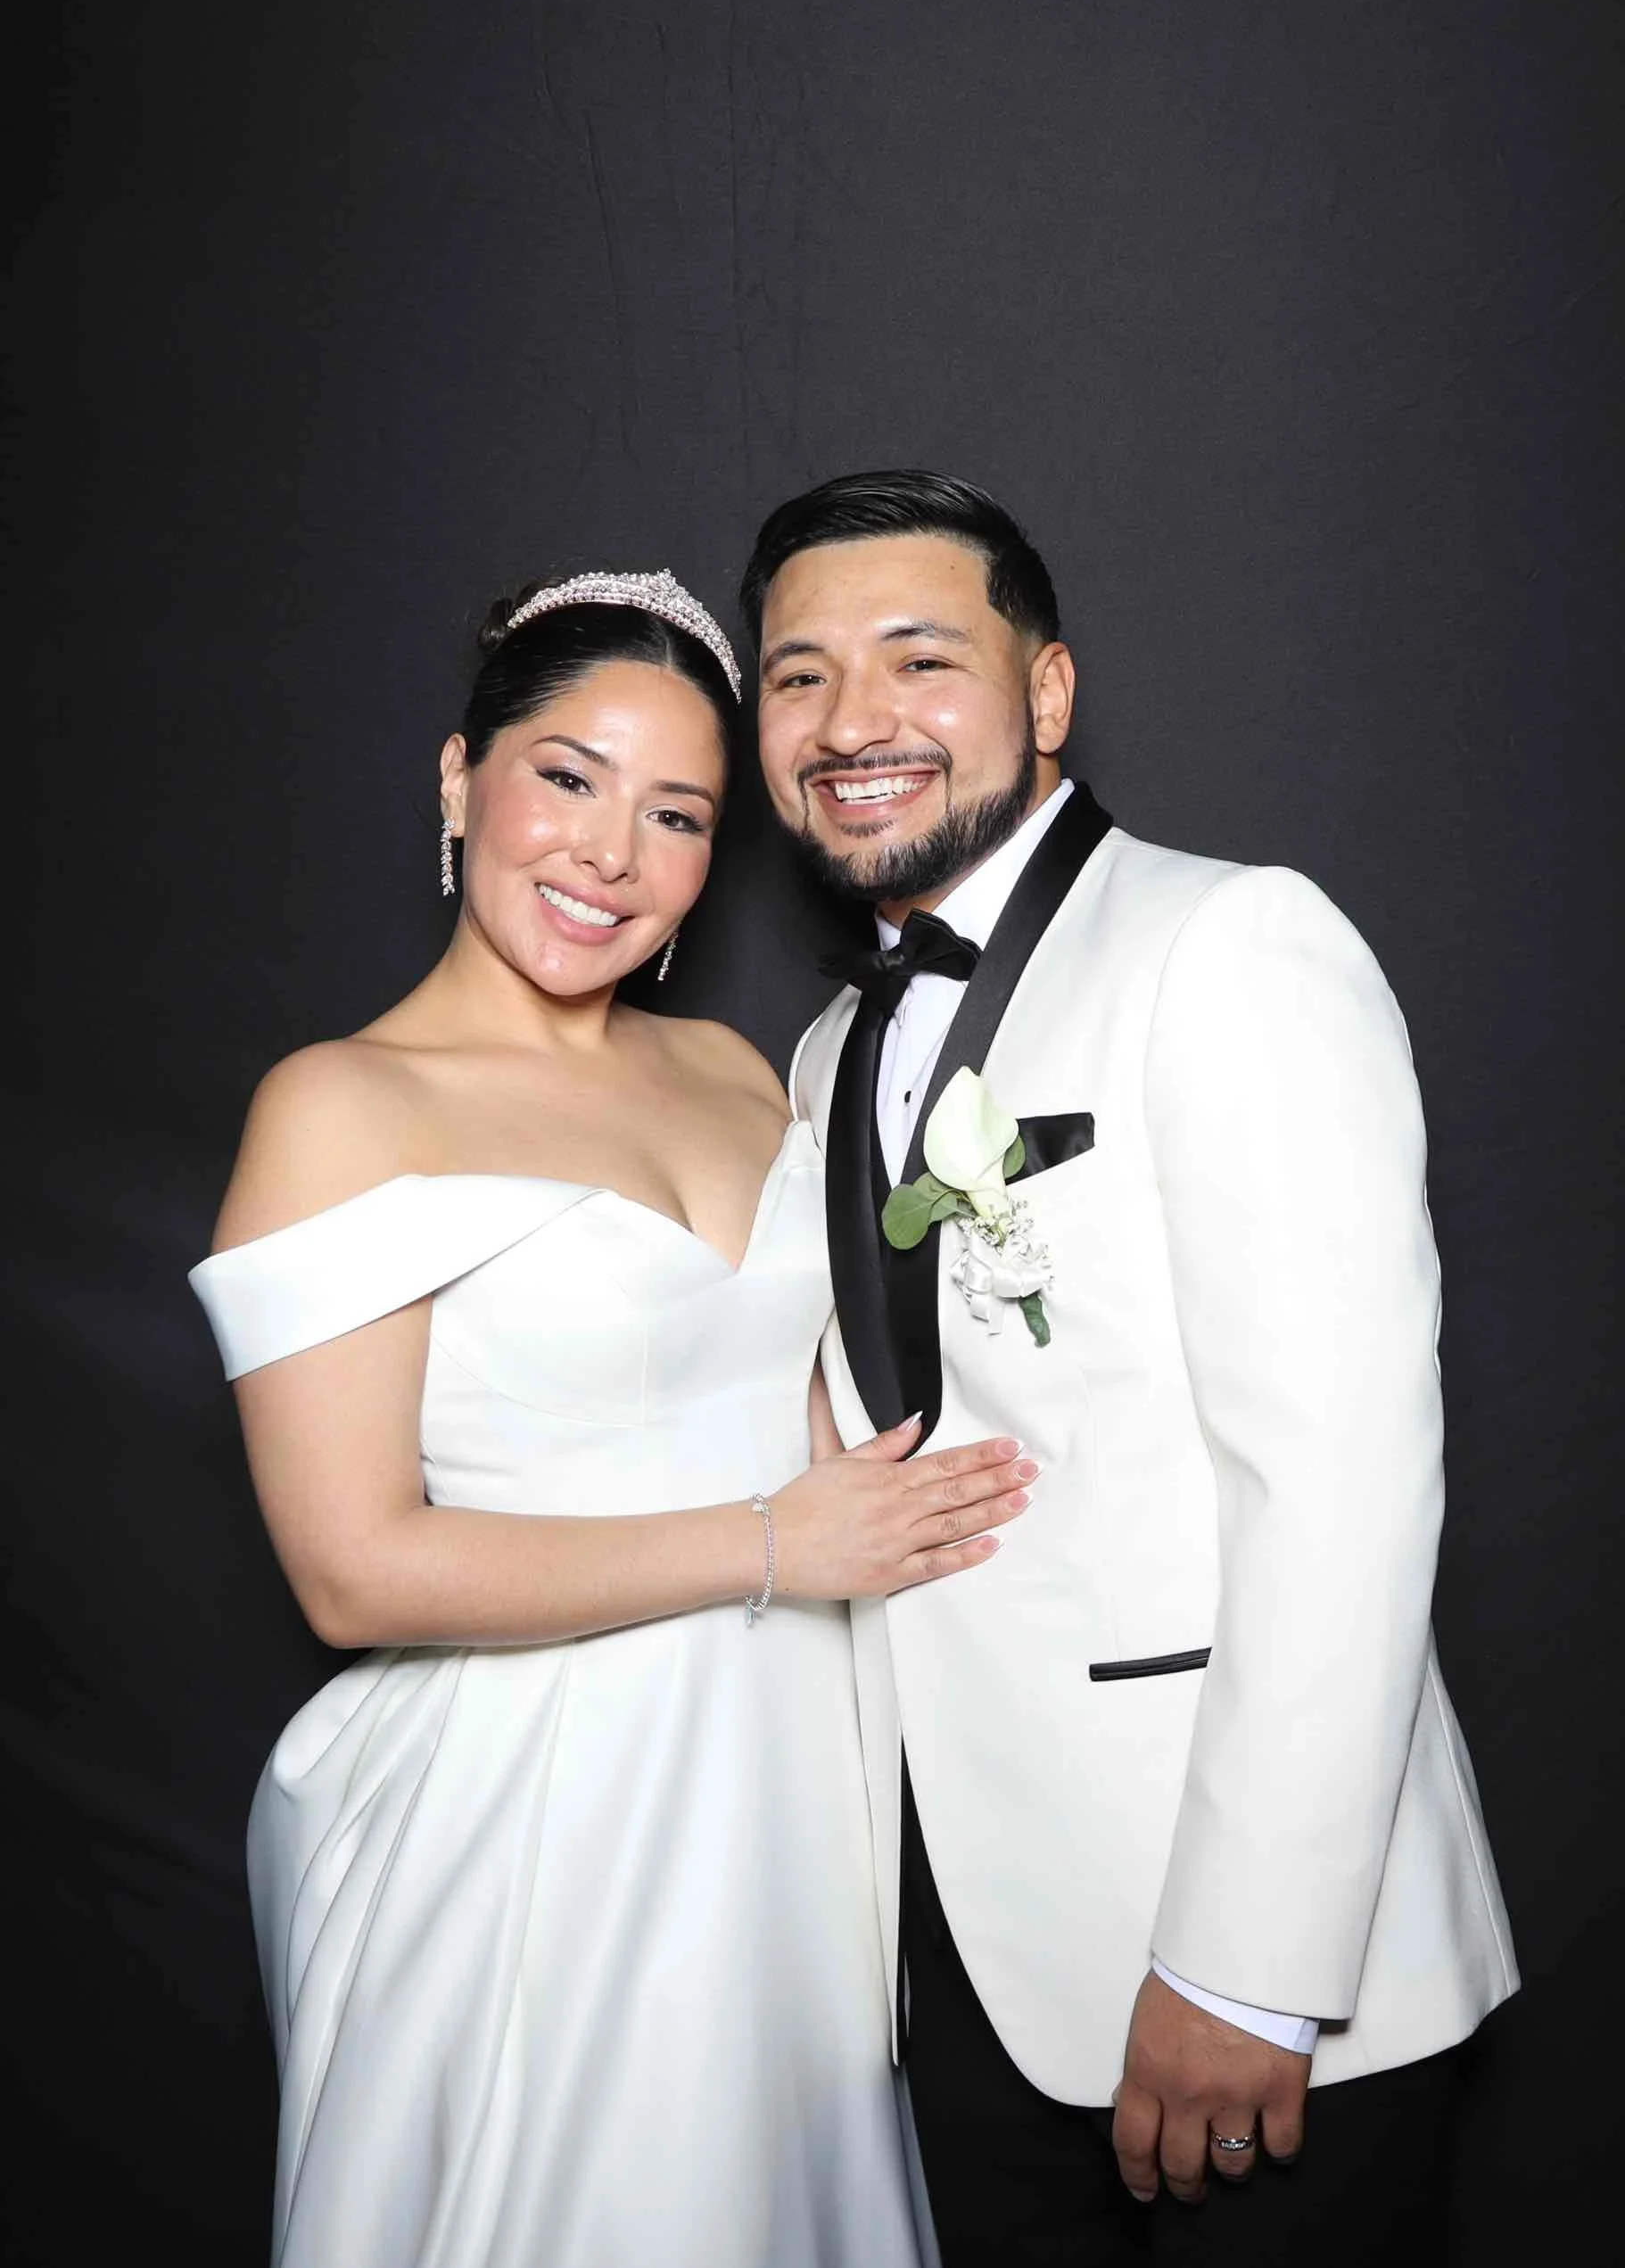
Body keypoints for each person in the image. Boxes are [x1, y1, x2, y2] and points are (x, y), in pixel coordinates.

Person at [189, 566, 1037, 2268]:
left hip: (788, 1782)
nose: (609, 856)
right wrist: (772, 1544)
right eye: (567, 778)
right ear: (459, 779)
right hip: (541, 1801)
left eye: (676, 816)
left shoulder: (737, 1069)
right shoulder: (342, 1106)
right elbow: (352, 1570)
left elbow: (813, 1414)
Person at [747, 470, 1519, 2267]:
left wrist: (1247, 1967)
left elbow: (1339, 1482)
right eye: (797, 676)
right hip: (957, 1972)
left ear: (1044, 692)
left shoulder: (1228, 940)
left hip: (1253, 1969)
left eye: (917, 658)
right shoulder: (824, 1047)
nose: (852, 721)